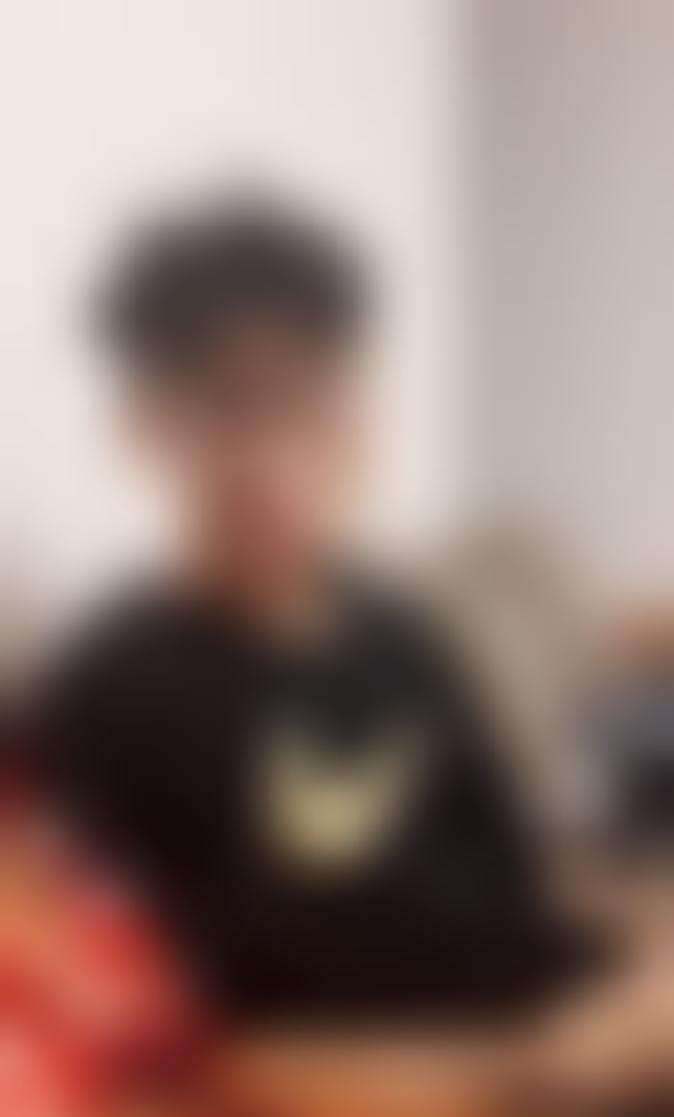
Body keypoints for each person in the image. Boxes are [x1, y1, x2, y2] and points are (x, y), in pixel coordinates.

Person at [34, 195, 591, 1021]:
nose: (273, 458)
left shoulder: (401, 632)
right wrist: (536, 1067)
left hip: (550, 1023)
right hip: (415, 1075)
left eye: (308, 404)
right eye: (229, 409)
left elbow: (521, 889)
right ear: (146, 425)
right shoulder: (108, 695)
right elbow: (172, 1023)